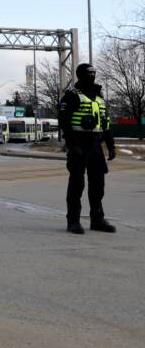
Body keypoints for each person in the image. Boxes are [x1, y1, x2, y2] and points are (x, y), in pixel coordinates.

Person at [59, 63, 116, 235]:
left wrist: (111, 146)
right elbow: (64, 122)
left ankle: (97, 220)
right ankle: (73, 221)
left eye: (94, 72)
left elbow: (105, 124)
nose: (92, 75)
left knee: (98, 184)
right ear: (80, 74)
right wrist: (72, 144)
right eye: (89, 72)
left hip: (95, 145)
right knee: (77, 183)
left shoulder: (99, 97)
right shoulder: (71, 96)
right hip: (78, 143)